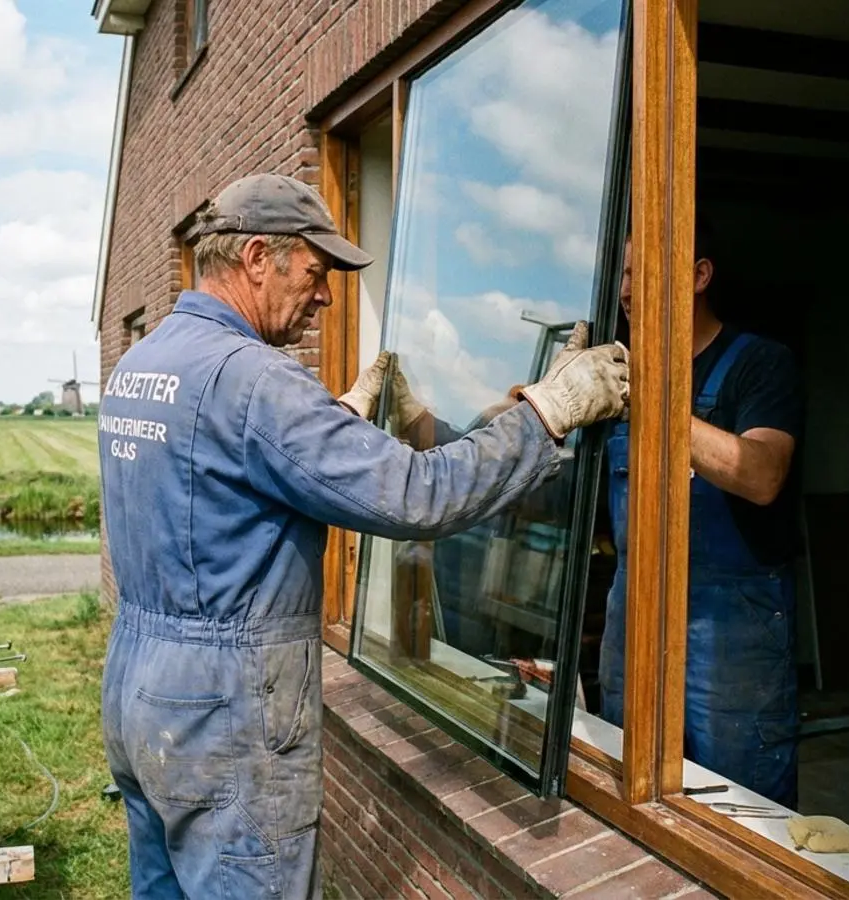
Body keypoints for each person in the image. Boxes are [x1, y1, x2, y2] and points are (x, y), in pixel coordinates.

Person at [98, 172, 630, 899]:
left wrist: (332, 425)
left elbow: (219, 483)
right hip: (224, 711)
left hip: (142, 690)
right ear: (258, 257)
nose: (324, 297)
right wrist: (548, 410)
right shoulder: (257, 381)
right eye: (314, 274)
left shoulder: (143, 363)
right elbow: (419, 494)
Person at [596, 216, 805, 808]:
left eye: (643, 273)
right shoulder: (618, 380)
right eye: (623, 276)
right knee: (629, 789)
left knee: (738, 809)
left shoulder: (759, 366)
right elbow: (549, 478)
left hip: (731, 629)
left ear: (699, 276)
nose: (628, 291)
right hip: (633, 615)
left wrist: (650, 399)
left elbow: (762, 475)